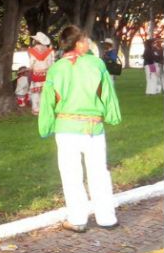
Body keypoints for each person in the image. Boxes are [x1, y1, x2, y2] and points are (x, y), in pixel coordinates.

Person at [38, 25, 122, 233]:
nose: (88, 43)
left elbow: (47, 102)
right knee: (99, 172)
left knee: (71, 174)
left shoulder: (56, 69)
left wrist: (46, 126)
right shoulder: (96, 64)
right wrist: (112, 116)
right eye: (85, 40)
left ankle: (77, 219)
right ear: (77, 43)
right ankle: (106, 217)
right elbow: (107, 94)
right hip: (93, 127)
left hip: (66, 128)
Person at [28, 32, 54, 116]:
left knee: (35, 92)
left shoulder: (32, 51)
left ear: (36, 41)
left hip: (36, 74)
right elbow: (51, 63)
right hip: (46, 74)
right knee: (45, 92)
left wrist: (31, 69)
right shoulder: (49, 51)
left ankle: (36, 109)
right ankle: (45, 109)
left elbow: (31, 64)